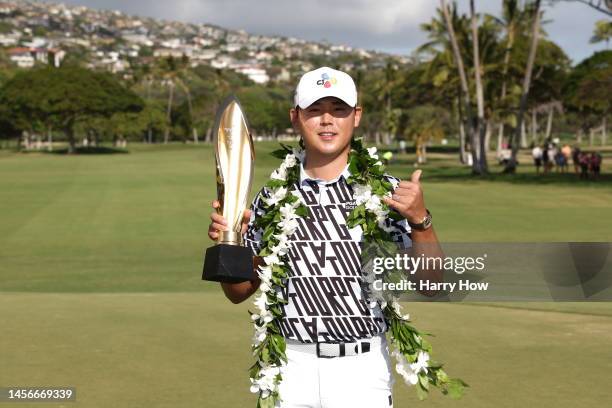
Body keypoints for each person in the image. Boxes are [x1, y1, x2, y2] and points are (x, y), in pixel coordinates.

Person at [207, 67, 443, 408]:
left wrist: (421, 221)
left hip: (362, 372)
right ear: (296, 117)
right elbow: (239, 292)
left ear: (356, 116)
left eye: (339, 109)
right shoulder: (271, 198)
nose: (327, 120)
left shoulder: (388, 194)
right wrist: (231, 244)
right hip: (290, 367)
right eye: (315, 110)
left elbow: (432, 286)